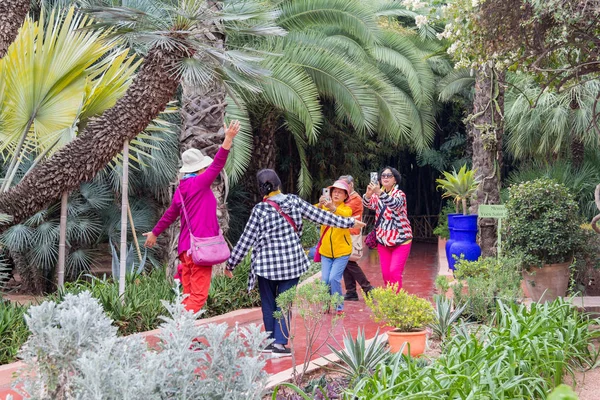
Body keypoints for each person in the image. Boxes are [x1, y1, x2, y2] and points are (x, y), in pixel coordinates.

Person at [225, 169, 365, 356]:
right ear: (278, 184)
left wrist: (231, 264)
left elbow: (246, 240)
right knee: (284, 302)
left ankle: (268, 342)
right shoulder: (293, 201)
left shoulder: (260, 210)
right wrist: (349, 223)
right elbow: (321, 216)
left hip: (266, 266)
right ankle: (280, 344)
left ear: (261, 189)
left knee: (268, 303)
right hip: (291, 264)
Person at [143, 120, 241, 313]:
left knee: (188, 295)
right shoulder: (200, 183)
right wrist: (228, 139)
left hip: (185, 249)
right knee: (198, 297)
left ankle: (185, 338)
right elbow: (218, 164)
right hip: (199, 249)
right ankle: (180, 331)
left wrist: (155, 233)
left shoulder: (181, 189)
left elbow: (170, 214)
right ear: (200, 169)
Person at [363, 167, 412, 289]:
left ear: (395, 179)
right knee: (386, 274)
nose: (385, 178)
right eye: (383, 175)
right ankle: (389, 301)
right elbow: (369, 204)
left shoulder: (400, 194)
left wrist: (379, 192)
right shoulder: (377, 195)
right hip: (383, 240)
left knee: (394, 272)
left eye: (388, 175)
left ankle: (395, 305)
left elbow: (395, 204)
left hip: (401, 240)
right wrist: (368, 195)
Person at [315, 180, 353, 314]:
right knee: (325, 280)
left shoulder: (346, 209)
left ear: (345, 196)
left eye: (340, 192)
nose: (336, 194)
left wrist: (333, 208)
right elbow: (312, 212)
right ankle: (325, 306)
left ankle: (338, 307)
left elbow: (346, 216)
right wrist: (320, 205)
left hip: (342, 252)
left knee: (334, 278)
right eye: (334, 192)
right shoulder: (324, 207)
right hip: (326, 251)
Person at [338, 175, 374, 301]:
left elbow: (343, 211)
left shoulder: (355, 198)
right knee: (346, 262)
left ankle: (367, 287)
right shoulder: (346, 198)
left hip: (352, 233)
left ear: (351, 184)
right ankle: (351, 291)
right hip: (343, 233)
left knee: (349, 261)